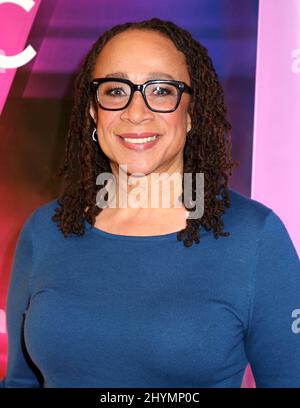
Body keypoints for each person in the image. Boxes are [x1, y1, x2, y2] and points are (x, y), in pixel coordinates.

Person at [0, 17, 299, 388]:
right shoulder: (45, 230)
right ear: (93, 111)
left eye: (160, 91)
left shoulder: (255, 237)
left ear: (190, 113)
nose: (136, 112)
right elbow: (20, 381)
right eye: (114, 90)